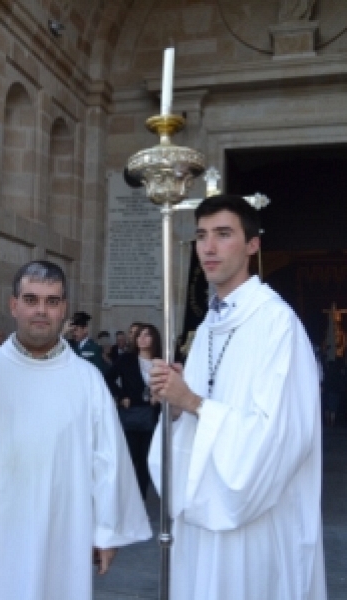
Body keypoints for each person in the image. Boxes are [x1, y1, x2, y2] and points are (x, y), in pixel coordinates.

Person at [0, 260, 151, 600]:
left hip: (61, 531)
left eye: (52, 301)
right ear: (14, 306)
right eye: (31, 299)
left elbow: (109, 460)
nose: (41, 310)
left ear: (64, 310)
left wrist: (106, 532)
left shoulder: (87, 380)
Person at [148, 195, 326, 599]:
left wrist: (193, 402)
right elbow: (196, 409)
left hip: (253, 525)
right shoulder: (211, 322)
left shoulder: (276, 324)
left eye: (223, 235)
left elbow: (278, 439)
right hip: (201, 516)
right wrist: (176, 406)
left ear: (252, 245)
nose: (208, 249)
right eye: (201, 236)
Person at [106, 323, 161, 501]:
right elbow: (108, 378)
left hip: (151, 416)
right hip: (130, 415)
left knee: (146, 461)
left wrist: (158, 397)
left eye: (147, 335)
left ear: (154, 339)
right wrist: (121, 396)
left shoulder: (160, 361)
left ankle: (140, 499)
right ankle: (124, 498)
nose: (142, 339)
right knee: (129, 458)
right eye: (139, 335)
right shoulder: (127, 359)